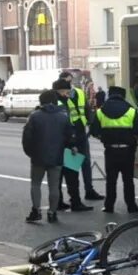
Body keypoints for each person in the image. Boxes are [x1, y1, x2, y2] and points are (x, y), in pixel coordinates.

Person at [90, 86, 138, 213]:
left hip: (110, 150)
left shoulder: (101, 111)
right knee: (128, 180)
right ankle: (131, 206)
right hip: (127, 151)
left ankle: (109, 206)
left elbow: (94, 131)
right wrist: (132, 139)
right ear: (123, 96)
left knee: (110, 181)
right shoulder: (131, 111)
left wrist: (104, 138)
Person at [22, 90, 73, 223]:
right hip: (57, 157)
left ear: (41, 101)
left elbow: (27, 138)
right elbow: (70, 137)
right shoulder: (64, 116)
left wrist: (30, 153)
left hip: (38, 157)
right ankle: (52, 212)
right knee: (54, 186)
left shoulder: (34, 116)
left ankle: (36, 211)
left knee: (35, 184)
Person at [58, 71, 103, 201]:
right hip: (69, 133)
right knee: (73, 165)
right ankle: (75, 196)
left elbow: (87, 110)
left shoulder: (78, 93)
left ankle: (88, 190)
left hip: (81, 132)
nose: (69, 83)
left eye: (70, 80)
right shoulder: (60, 96)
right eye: (66, 80)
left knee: (85, 162)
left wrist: (90, 124)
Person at [52, 78, 93, 212]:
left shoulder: (64, 100)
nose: (68, 93)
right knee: (71, 174)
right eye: (66, 91)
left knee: (62, 174)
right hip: (67, 143)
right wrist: (73, 141)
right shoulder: (59, 103)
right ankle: (74, 202)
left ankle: (60, 202)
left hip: (66, 142)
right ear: (60, 91)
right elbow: (66, 125)